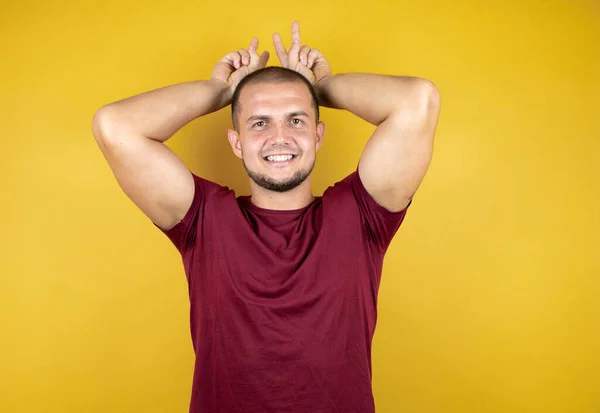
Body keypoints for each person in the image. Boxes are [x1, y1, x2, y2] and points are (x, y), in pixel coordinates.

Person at [92, 21, 440, 413]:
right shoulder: (203, 218)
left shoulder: (361, 213)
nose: (280, 137)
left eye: (296, 119)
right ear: (237, 142)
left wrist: (321, 86)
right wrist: (221, 91)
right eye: (260, 123)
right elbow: (114, 126)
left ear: (318, 135)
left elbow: (418, 101)